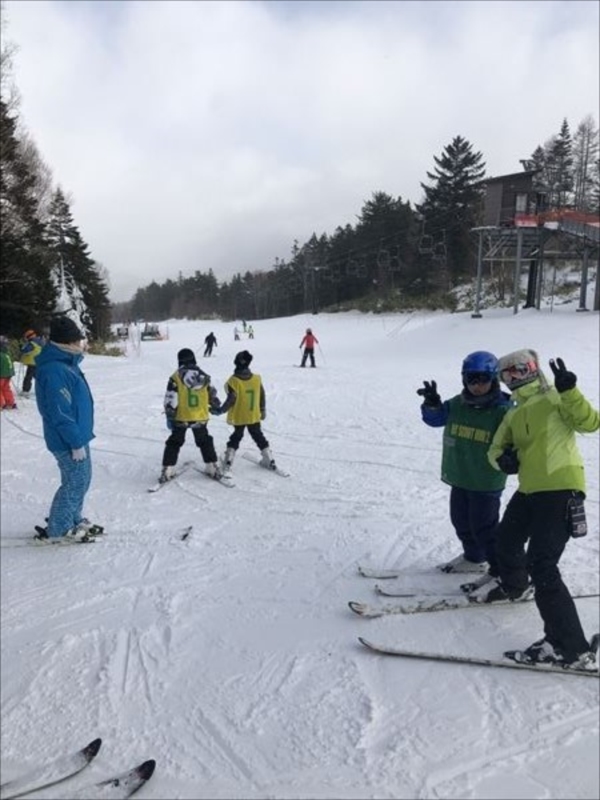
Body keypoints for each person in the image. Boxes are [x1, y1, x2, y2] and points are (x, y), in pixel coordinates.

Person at [482, 349, 599, 671]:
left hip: (560, 488)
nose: (515, 377)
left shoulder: (556, 399)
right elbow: (495, 448)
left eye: (521, 370)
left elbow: (590, 423)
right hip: (529, 489)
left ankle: (570, 649)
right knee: (505, 538)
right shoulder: (513, 412)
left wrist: (570, 391)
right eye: (508, 374)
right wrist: (501, 459)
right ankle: (515, 585)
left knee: (543, 564)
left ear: (533, 368)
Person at [417, 351, 512, 582]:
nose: (477, 385)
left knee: (485, 529)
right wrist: (432, 404)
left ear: (493, 379)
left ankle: (506, 572)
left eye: (482, 379)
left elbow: (520, 436)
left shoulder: (505, 409)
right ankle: (473, 558)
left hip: (486, 481)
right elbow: (436, 419)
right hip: (461, 476)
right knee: (461, 521)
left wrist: (513, 453)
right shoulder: (458, 404)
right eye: (471, 379)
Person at [34, 316, 97, 542]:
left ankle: (72, 518)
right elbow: (59, 412)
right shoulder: (54, 370)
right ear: (67, 342)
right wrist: (75, 442)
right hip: (67, 439)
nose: (81, 344)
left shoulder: (66, 364)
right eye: (77, 340)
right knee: (75, 482)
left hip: (77, 436)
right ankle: (59, 528)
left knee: (83, 479)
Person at [159, 348, 222, 483]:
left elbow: (171, 399)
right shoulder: (203, 376)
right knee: (204, 440)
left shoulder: (175, 377)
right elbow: (211, 394)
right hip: (200, 416)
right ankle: (212, 466)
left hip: (181, 416)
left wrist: (170, 416)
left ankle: (168, 468)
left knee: (175, 441)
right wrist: (215, 406)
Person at [215, 350, 277, 472]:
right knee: (258, 435)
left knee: (236, 436)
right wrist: (262, 409)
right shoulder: (256, 378)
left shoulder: (233, 381)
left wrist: (221, 410)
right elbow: (262, 395)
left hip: (239, 415)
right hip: (253, 414)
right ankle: (268, 458)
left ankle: (228, 460)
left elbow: (231, 399)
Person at [19, 329, 44, 395]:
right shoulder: (40, 341)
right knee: (37, 376)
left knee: (28, 377)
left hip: (32, 362)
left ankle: (25, 390)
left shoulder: (32, 343)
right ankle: (45, 387)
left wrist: (21, 346)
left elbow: (25, 350)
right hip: (38, 362)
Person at [0, 336, 17, 410]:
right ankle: (10, 403)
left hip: (2, 374)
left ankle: (1, 404)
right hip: (8, 374)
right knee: (6, 388)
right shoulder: (7, 354)